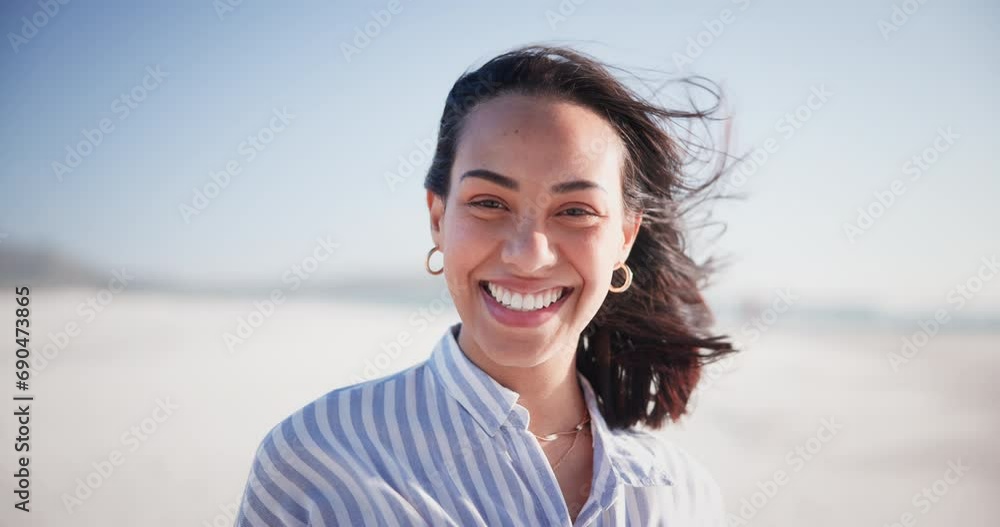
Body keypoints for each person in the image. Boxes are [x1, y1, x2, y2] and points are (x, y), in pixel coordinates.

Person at [236, 44, 737, 526]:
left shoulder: (682, 495)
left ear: (625, 238)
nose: (528, 254)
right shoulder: (317, 461)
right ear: (438, 217)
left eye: (576, 211)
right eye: (489, 203)